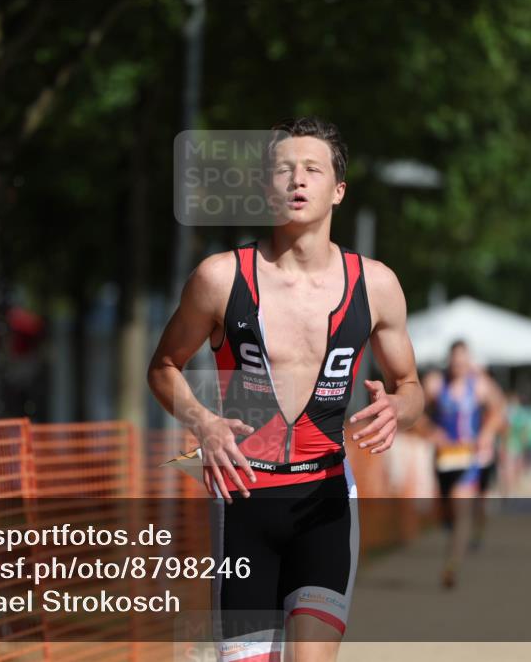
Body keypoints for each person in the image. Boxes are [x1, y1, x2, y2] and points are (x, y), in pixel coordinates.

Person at [148, 116, 423, 662]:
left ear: (337, 190)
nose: (298, 180)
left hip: (324, 501)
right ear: (265, 188)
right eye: (283, 170)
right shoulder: (221, 278)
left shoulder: (377, 285)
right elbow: (162, 367)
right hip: (244, 499)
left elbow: (410, 386)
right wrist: (203, 422)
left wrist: (398, 409)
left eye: (313, 169)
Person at [419, 342, 504, 588]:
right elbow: (416, 413)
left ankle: (452, 565)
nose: (459, 366)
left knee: (461, 509)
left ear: (469, 363)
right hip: (444, 459)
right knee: (447, 513)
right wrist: (432, 431)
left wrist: (487, 433)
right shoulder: (435, 383)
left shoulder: (479, 384)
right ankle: (453, 536)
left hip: (470, 459)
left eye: (463, 362)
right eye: (455, 362)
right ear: (449, 361)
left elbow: (499, 410)